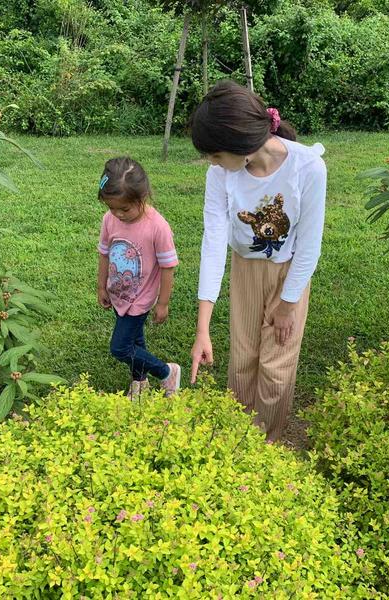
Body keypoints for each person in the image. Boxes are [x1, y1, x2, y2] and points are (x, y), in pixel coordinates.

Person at [189, 80, 327, 442]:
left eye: (216, 155)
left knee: (276, 367)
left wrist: (288, 305)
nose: (213, 163)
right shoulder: (220, 175)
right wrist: (203, 328)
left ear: (240, 144)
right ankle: (240, 440)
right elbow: (213, 243)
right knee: (243, 360)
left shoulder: (308, 167)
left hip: (290, 276)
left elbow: (309, 246)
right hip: (246, 269)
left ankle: (268, 443)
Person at [96, 157, 181, 398]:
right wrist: (101, 286)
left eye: (124, 209)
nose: (118, 214)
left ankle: (166, 372)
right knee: (135, 341)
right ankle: (140, 381)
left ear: (142, 197)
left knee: (120, 348)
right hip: (118, 293)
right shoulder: (109, 219)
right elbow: (104, 254)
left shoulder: (157, 227)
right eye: (111, 207)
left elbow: (167, 267)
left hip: (140, 299)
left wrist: (163, 303)